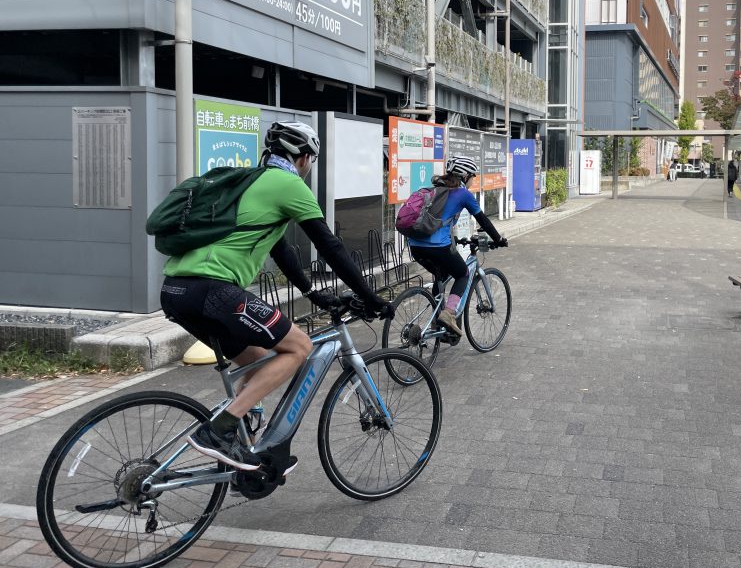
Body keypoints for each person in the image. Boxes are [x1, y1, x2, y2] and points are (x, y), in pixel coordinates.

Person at [160, 121, 393, 471]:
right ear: (303, 158)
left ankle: (241, 450)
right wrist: (371, 297)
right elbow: (328, 245)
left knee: (265, 361)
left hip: (176, 291)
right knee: (300, 348)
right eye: (311, 159)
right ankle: (219, 431)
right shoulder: (287, 183)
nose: (309, 165)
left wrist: (313, 293)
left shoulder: (252, 181)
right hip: (213, 290)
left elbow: (281, 248)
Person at [407, 156, 508, 340]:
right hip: (437, 247)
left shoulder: (436, 189)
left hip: (415, 246)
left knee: (442, 276)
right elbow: (482, 220)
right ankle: (448, 313)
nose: (473, 180)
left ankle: (438, 322)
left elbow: (440, 221)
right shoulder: (463, 194)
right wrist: (498, 239)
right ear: (465, 176)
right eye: (473, 176)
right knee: (463, 274)